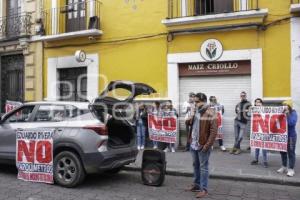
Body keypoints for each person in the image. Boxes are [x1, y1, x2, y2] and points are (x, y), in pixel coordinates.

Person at [185, 92, 217, 198]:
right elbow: (187, 123)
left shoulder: (211, 112)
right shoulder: (196, 111)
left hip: (203, 145)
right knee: (196, 165)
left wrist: (207, 146)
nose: (195, 103)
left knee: (203, 167)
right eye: (194, 101)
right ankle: (197, 185)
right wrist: (193, 114)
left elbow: (213, 132)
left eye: (197, 102)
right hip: (193, 143)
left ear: (203, 101)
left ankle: (204, 189)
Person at [277, 100, 298, 177]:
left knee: (291, 152)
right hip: (282, 136)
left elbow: (292, 123)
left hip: (291, 136)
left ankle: (291, 169)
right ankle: (284, 166)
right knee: (282, 152)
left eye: (285, 105)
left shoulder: (293, 113)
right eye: (283, 105)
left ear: (289, 106)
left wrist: (288, 115)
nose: (284, 106)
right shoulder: (281, 114)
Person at [250, 98, 268, 168]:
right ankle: (256, 159)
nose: (257, 103)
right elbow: (248, 115)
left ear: (261, 103)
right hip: (256, 130)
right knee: (257, 146)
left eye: (259, 102)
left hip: (263, 130)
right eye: (256, 102)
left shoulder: (265, 109)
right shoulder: (253, 109)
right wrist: (250, 109)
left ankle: (265, 161)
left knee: (264, 147)